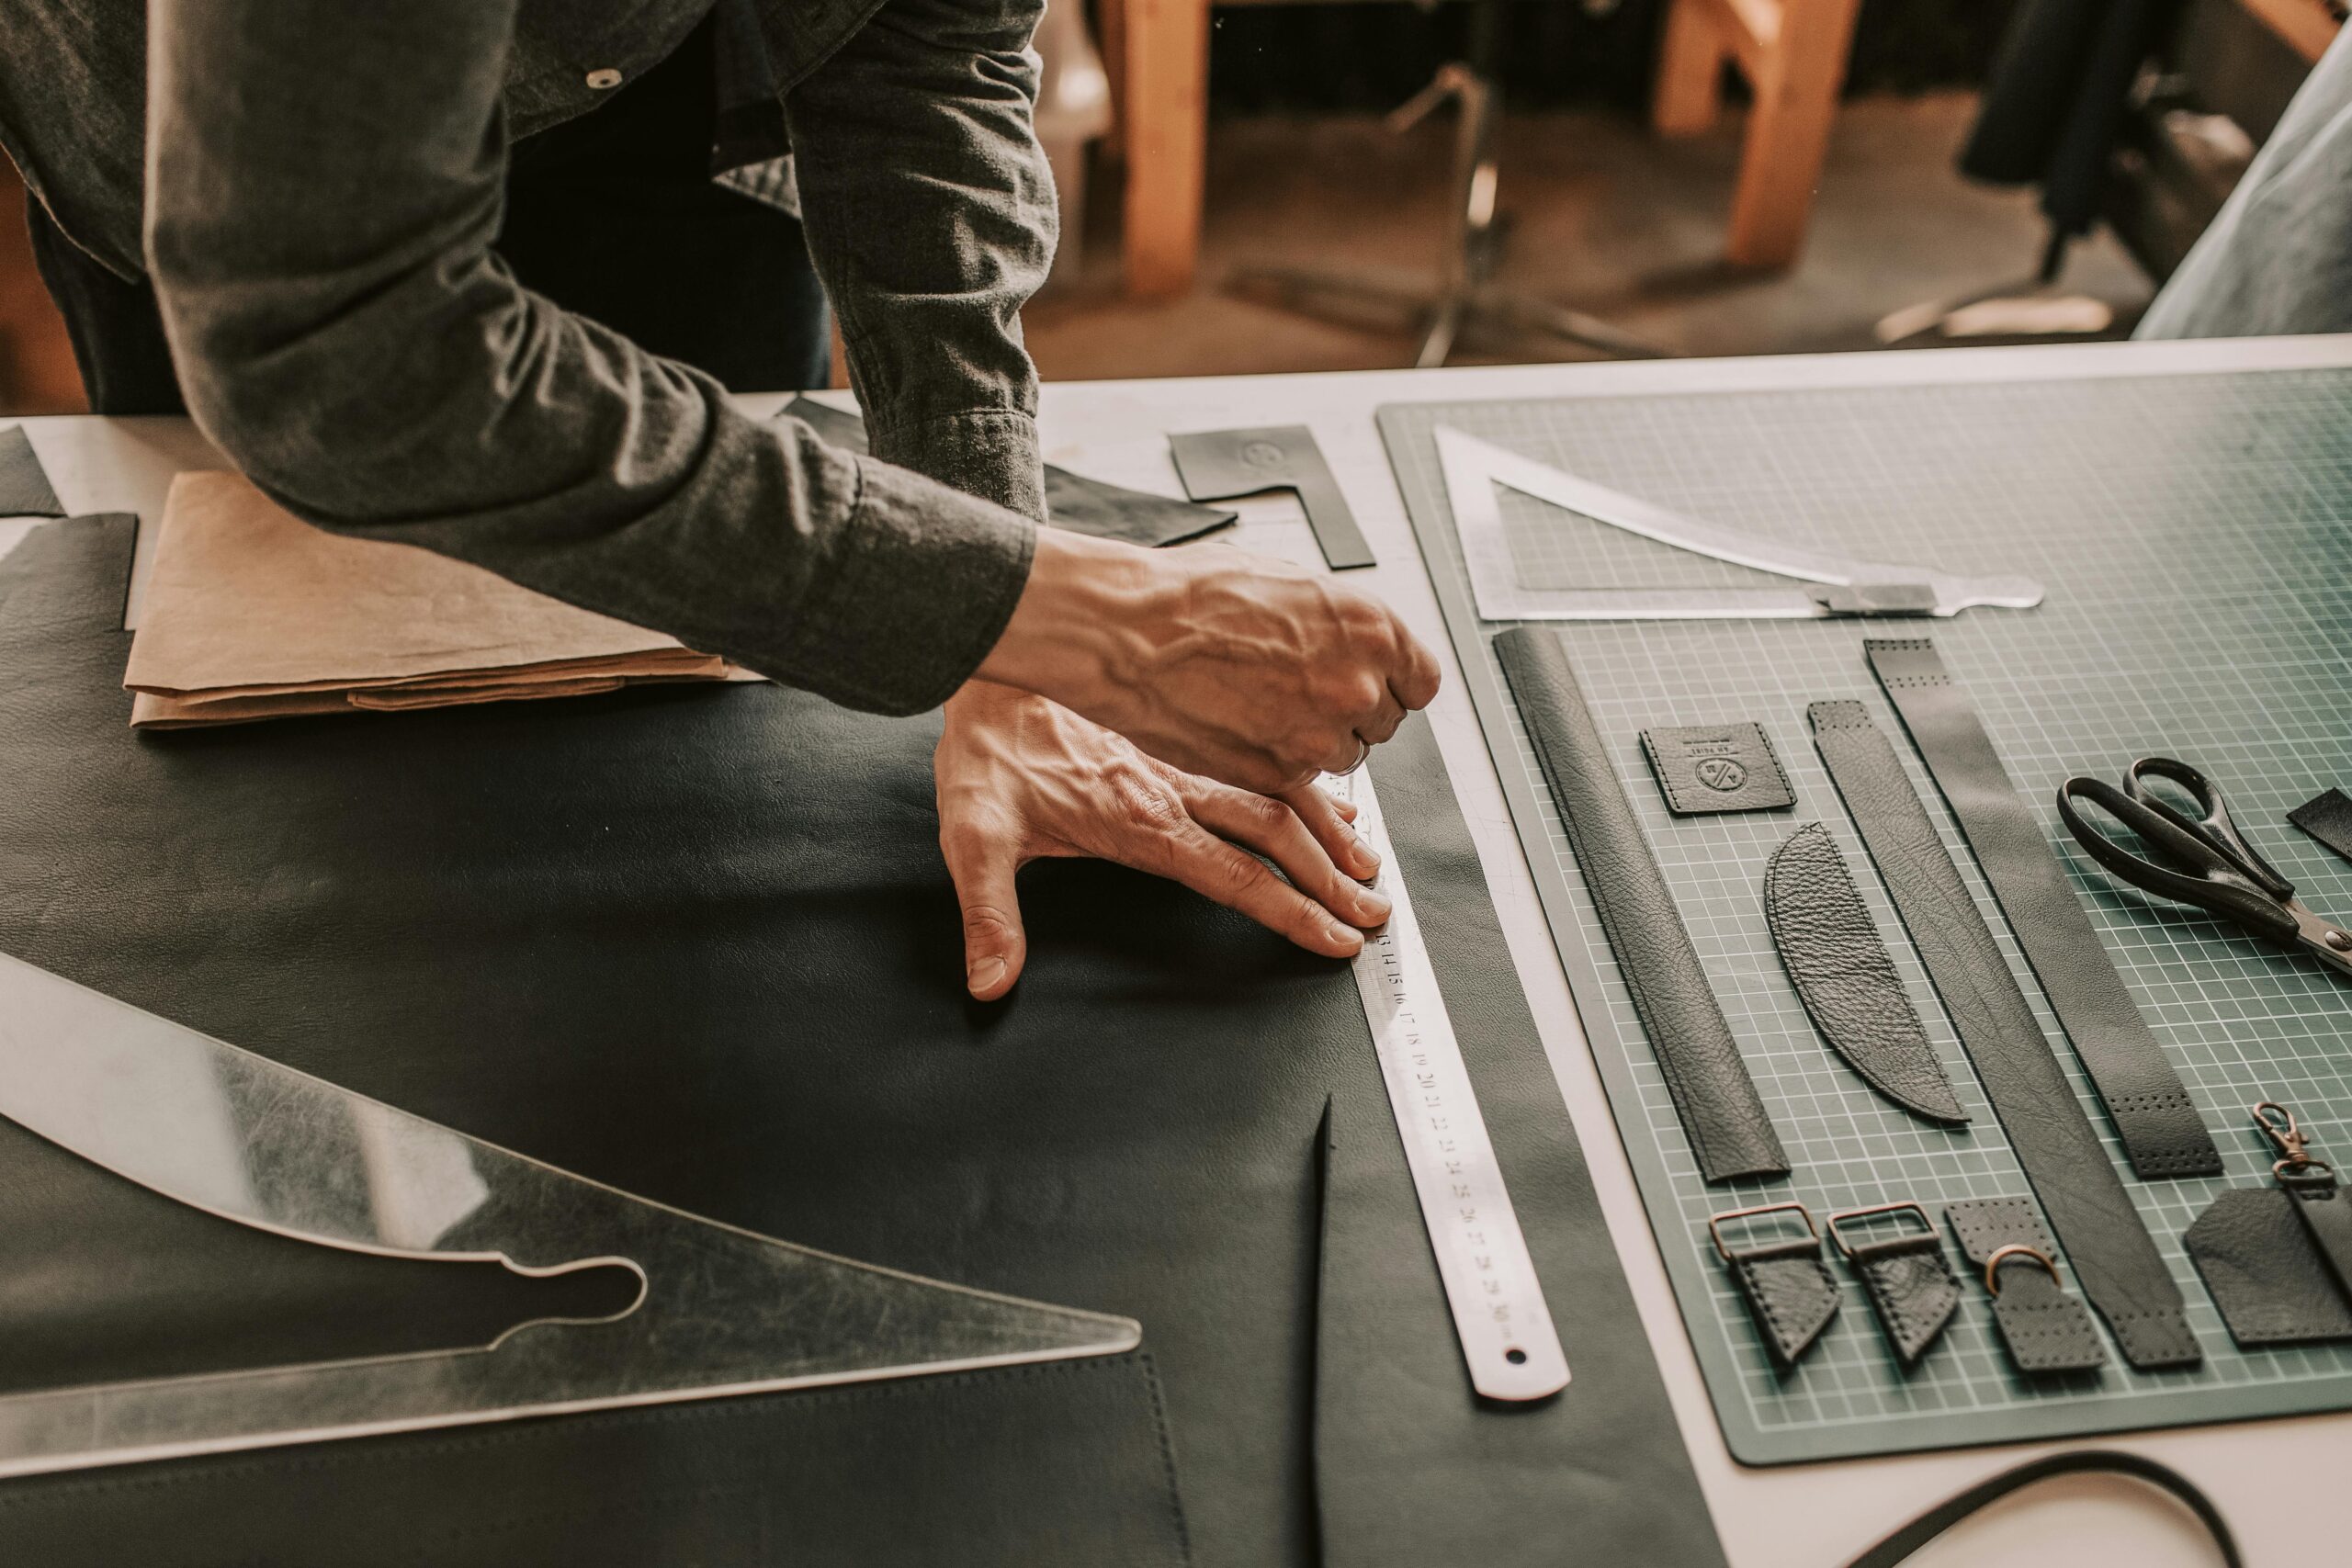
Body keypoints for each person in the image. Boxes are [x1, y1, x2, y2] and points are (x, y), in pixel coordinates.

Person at [2, 0, 1441, 1001]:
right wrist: (1083, 620)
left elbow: (918, 37)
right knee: (311, 880)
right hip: (245, 144)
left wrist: (991, 575)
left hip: (660, 66)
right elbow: (336, 349)